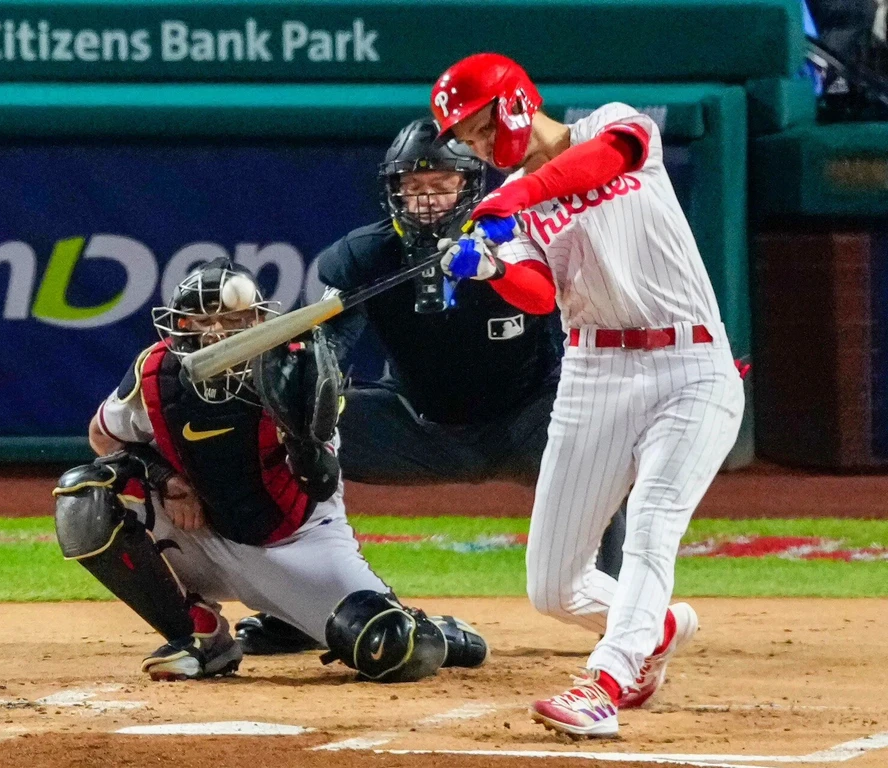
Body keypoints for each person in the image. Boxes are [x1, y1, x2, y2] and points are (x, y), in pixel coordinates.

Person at [431, 53, 744, 737]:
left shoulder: (611, 126)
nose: (480, 146)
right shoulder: (512, 206)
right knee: (553, 584)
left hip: (691, 364)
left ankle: (605, 679)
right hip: (594, 374)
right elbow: (540, 295)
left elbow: (605, 161)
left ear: (514, 102)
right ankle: (651, 627)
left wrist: (515, 199)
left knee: (653, 525)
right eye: (469, 139)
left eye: (481, 128)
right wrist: (488, 263)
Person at [233, 118, 628, 655]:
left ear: (469, 186)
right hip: (416, 428)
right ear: (392, 191)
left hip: (531, 424)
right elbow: (324, 348)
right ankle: (304, 607)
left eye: (440, 185)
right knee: (288, 431)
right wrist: (299, 387)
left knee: (601, 435)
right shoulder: (363, 257)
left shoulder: (522, 244)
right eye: (412, 187)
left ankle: (621, 614)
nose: (425, 200)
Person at [52, 257, 488, 683]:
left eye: (232, 320)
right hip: (205, 532)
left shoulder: (299, 368)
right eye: (201, 322)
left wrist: (300, 434)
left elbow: (320, 482)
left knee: (390, 647)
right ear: (179, 327)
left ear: (259, 321)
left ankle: (434, 634)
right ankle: (200, 637)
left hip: (297, 543)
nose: (216, 335)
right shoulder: (157, 370)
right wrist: (171, 482)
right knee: (85, 497)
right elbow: (103, 436)